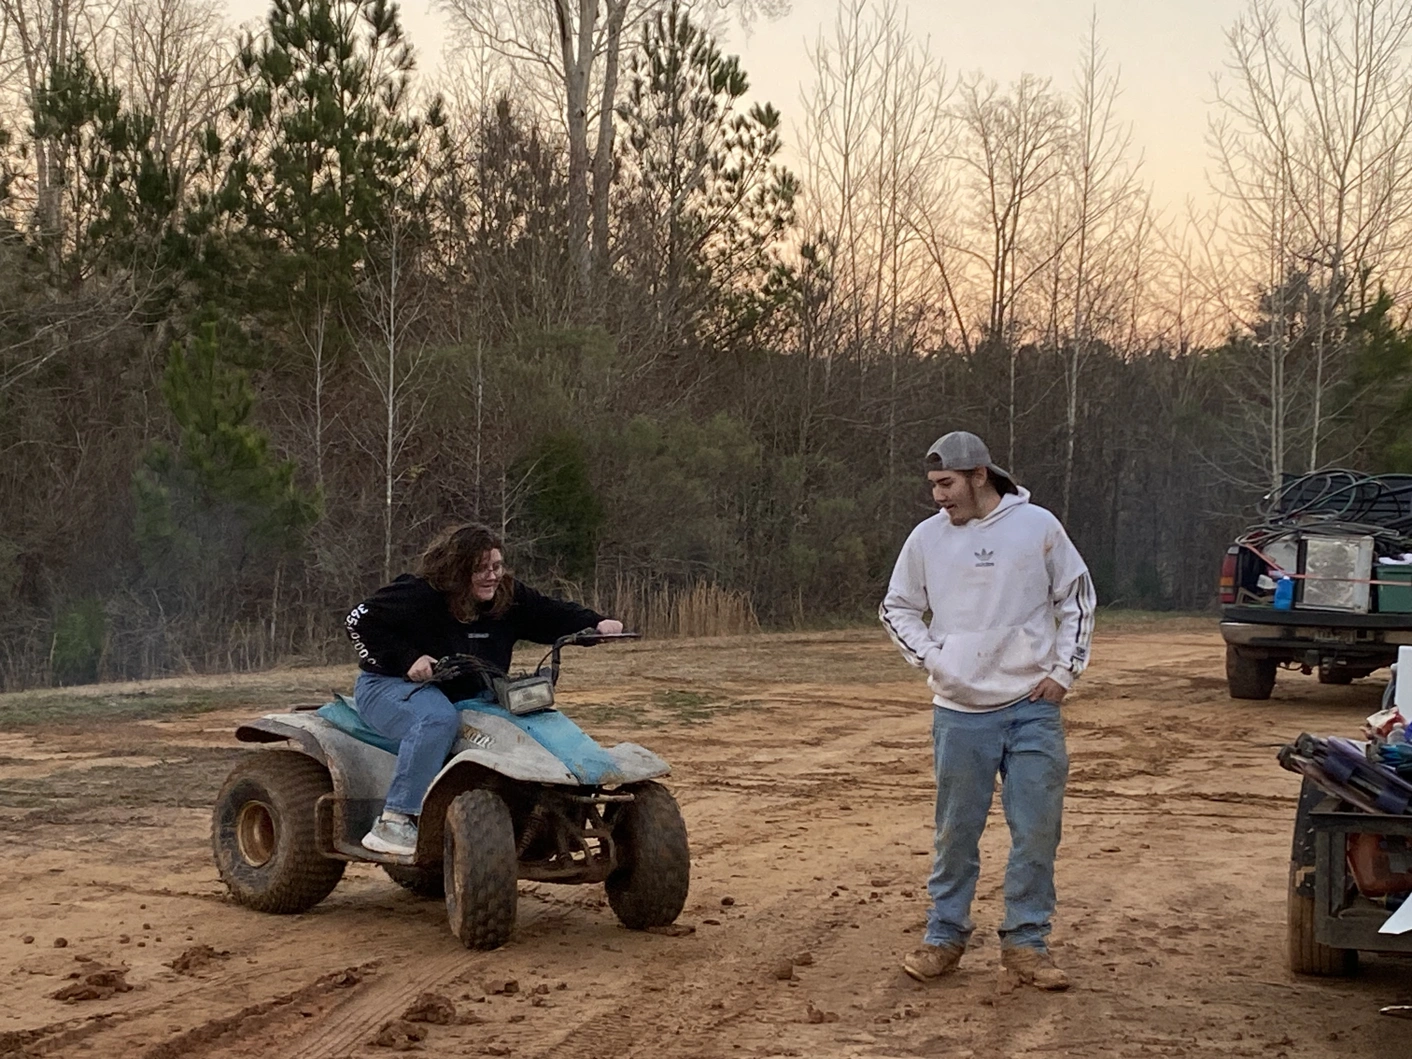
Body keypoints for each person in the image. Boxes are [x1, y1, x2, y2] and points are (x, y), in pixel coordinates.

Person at [879, 431, 1095, 991]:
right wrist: (934, 660)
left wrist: (1063, 672)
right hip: (959, 712)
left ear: (980, 476)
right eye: (932, 486)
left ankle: (1026, 943)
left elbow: (1075, 598)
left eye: (946, 484)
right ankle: (944, 937)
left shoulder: (1038, 527)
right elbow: (896, 607)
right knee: (956, 832)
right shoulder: (926, 539)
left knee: (1036, 831)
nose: (938, 497)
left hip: (1032, 710)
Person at [344, 522, 623, 856]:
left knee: (531, 721)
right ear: (458, 570)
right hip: (390, 685)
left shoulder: (506, 596)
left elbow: (549, 612)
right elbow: (357, 621)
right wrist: (407, 658)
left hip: (472, 691)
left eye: (496, 566)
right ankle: (395, 820)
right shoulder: (419, 593)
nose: (491, 576)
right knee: (437, 720)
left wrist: (595, 623)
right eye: (480, 569)